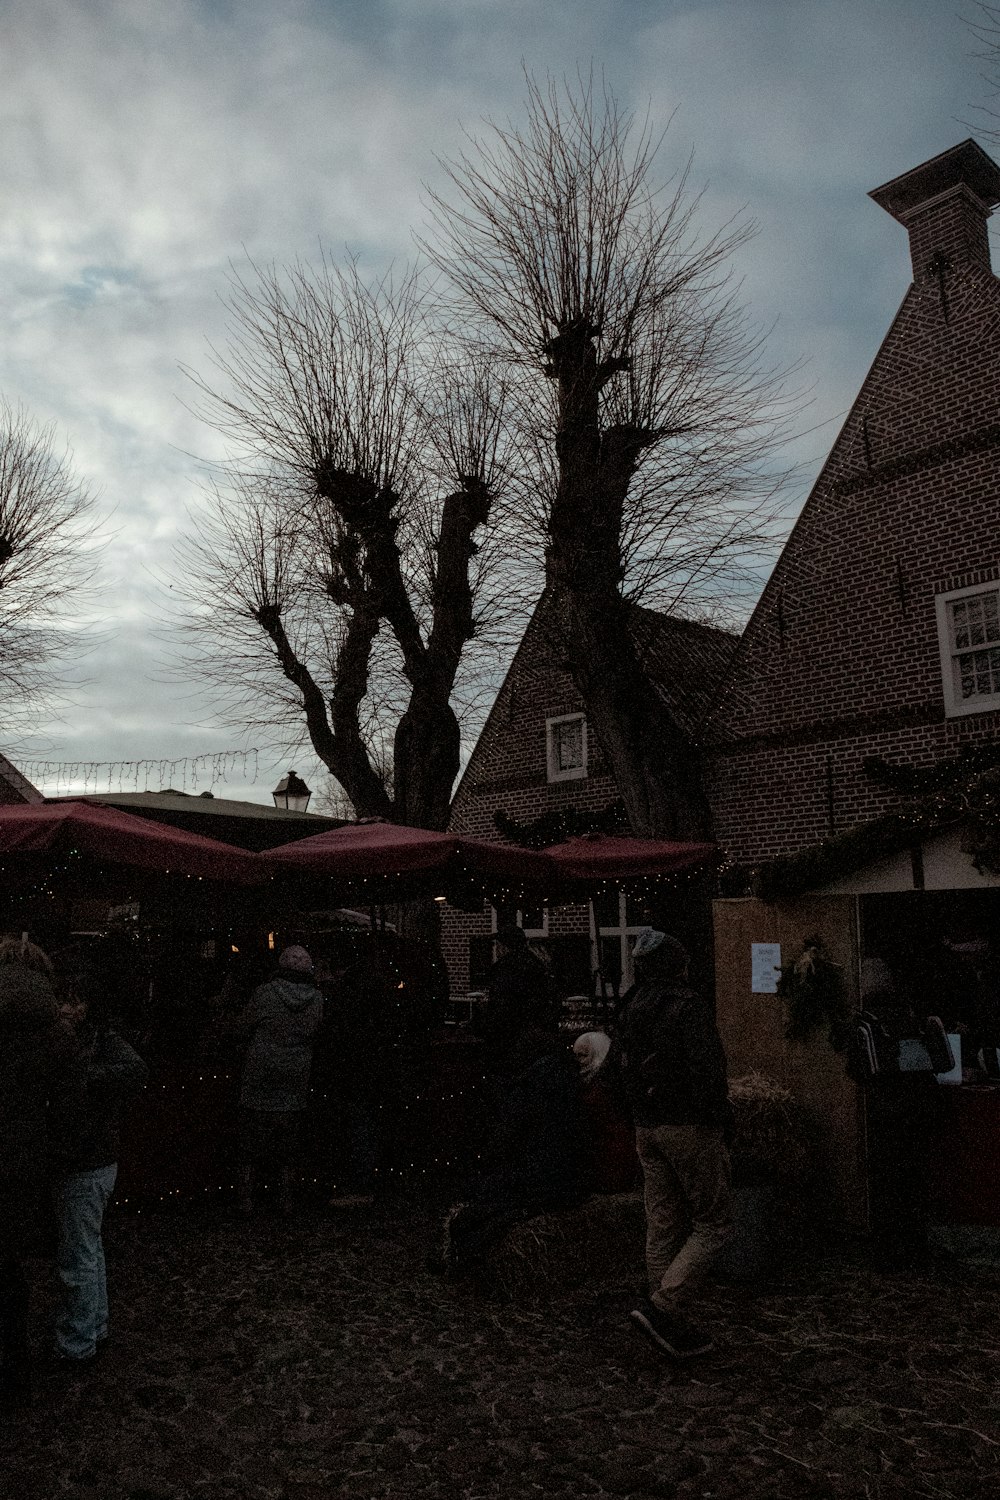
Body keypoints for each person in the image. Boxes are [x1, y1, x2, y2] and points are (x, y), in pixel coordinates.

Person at [614, 929, 732, 1359]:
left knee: (662, 1220)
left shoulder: (630, 1005)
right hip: (687, 1124)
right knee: (713, 1222)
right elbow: (708, 1070)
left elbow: (618, 1068)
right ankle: (664, 1306)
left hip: (646, 1125)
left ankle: (662, 1319)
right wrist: (717, 1116)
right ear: (678, 965)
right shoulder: (688, 1006)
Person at [50, 963, 148, 1369]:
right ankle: (95, 1326)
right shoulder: (83, 1039)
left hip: (87, 1159)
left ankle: (78, 1342)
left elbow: (137, 1072)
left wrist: (86, 1078)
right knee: (89, 1250)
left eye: (72, 1001)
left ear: (88, 1006)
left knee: (79, 1255)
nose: (65, 1009)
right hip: (92, 1156)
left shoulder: (98, 1041)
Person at [0, 937, 84, 1410]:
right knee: (10, 1272)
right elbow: (68, 1118)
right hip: (22, 1166)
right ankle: (13, 1374)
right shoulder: (56, 1032)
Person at [233, 944, 323, 1217]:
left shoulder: (265, 993)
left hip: (261, 1069)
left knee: (252, 1139)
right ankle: (286, 1199)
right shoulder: (317, 998)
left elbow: (242, 1025)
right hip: (296, 1070)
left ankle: (247, 1199)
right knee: (288, 1142)